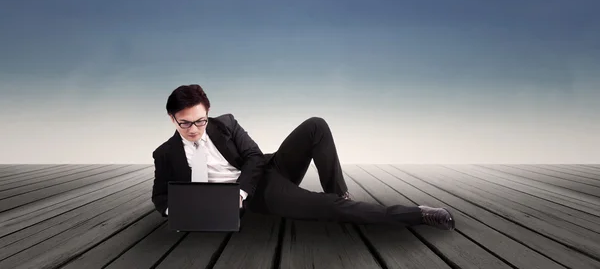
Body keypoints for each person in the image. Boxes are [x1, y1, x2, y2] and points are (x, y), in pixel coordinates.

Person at [151, 84, 455, 230]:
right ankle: (418, 214)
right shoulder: (165, 154)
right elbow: (161, 198)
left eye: (200, 120)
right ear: (172, 119)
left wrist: (241, 190)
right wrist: (179, 212)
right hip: (261, 198)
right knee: (329, 208)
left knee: (316, 126)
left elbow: (255, 157)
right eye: (185, 123)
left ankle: (340, 193)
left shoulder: (225, 123)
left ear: (207, 112)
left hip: (262, 175)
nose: (194, 129)